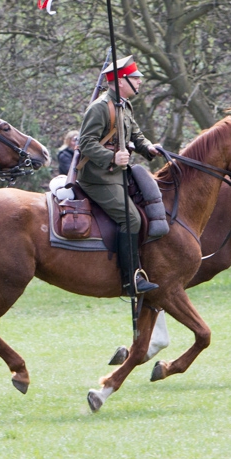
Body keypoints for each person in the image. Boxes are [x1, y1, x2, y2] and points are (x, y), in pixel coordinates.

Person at [76, 53, 160, 296]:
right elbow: (86, 143)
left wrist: (149, 147)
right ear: (121, 81)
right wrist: (112, 157)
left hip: (119, 174)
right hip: (98, 177)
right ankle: (129, 279)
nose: (140, 81)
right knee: (131, 219)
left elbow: (136, 134)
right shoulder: (100, 108)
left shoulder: (125, 105)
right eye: (136, 77)